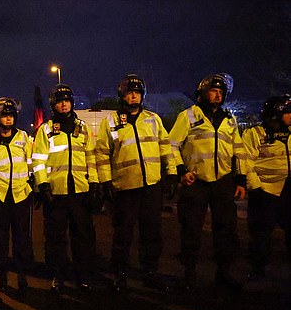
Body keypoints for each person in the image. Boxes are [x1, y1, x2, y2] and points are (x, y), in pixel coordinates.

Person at [96, 74, 177, 293]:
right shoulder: (110, 122)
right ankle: (119, 273)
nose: (134, 96)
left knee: (151, 233)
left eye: (137, 93)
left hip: (151, 185)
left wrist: (170, 173)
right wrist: (105, 182)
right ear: (122, 96)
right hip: (125, 188)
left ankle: (150, 272)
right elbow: (102, 153)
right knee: (123, 234)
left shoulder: (153, 119)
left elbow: (165, 147)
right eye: (130, 93)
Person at [169, 73, 247, 291]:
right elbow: (172, 145)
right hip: (196, 181)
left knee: (226, 229)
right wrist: (182, 171)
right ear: (203, 93)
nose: (218, 95)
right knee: (191, 228)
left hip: (222, 181)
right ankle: (189, 273)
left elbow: (238, 150)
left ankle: (224, 272)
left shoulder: (229, 119)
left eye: (221, 92)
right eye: (214, 91)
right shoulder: (188, 116)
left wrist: (241, 180)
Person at [32, 83, 101, 292]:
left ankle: (82, 274)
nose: (64, 104)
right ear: (54, 105)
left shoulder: (82, 128)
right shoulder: (46, 130)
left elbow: (90, 157)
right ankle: (58, 274)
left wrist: (95, 183)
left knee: (83, 235)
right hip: (56, 192)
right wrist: (43, 184)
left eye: (67, 101)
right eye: (60, 101)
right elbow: (38, 159)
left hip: (80, 191)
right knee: (55, 237)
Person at [0, 97, 34, 293]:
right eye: (5, 116)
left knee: (22, 238)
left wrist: (33, 184)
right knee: (0, 241)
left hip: (21, 196)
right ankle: (2, 276)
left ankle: (22, 275)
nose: (9, 119)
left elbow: (31, 163)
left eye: (11, 115)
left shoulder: (23, 138)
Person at [242, 95, 291, 280]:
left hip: (288, 189)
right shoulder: (255, 134)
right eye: (287, 112)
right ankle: (258, 270)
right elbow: (247, 162)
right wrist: (256, 188)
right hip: (266, 191)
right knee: (261, 233)